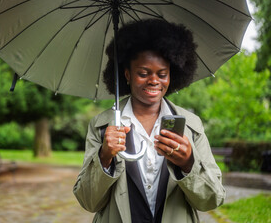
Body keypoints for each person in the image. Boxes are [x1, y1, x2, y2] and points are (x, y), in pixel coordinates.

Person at [73, 19, 225, 223]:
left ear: (172, 75)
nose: (154, 81)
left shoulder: (191, 126)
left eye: (162, 74)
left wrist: (189, 163)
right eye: (143, 73)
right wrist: (104, 157)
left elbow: (212, 200)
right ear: (126, 74)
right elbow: (88, 202)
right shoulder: (101, 126)